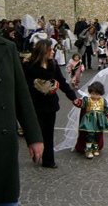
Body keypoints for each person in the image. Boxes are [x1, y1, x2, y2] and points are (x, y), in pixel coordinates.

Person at [0, 34, 44, 206]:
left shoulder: (6, 47)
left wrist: (34, 136)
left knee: (3, 202)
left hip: (0, 139)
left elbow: (21, 93)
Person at [23, 39, 78, 168]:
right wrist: (39, 87)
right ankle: (36, 153)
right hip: (35, 104)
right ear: (43, 51)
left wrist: (73, 98)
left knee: (48, 133)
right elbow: (24, 85)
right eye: (51, 50)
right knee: (36, 132)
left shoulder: (53, 65)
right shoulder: (28, 66)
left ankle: (48, 160)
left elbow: (62, 82)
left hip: (49, 105)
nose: (53, 52)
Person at [74, 82, 108, 159]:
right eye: (93, 93)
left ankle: (96, 148)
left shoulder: (103, 101)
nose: (95, 96)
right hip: (89, 121)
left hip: (99, 121)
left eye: (97, 94)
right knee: (90, 134)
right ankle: (88, 149)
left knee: (97, 135)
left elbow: (107, 110)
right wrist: (77, 102)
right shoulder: (87, 100)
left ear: (100, 93)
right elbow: (81, 104)